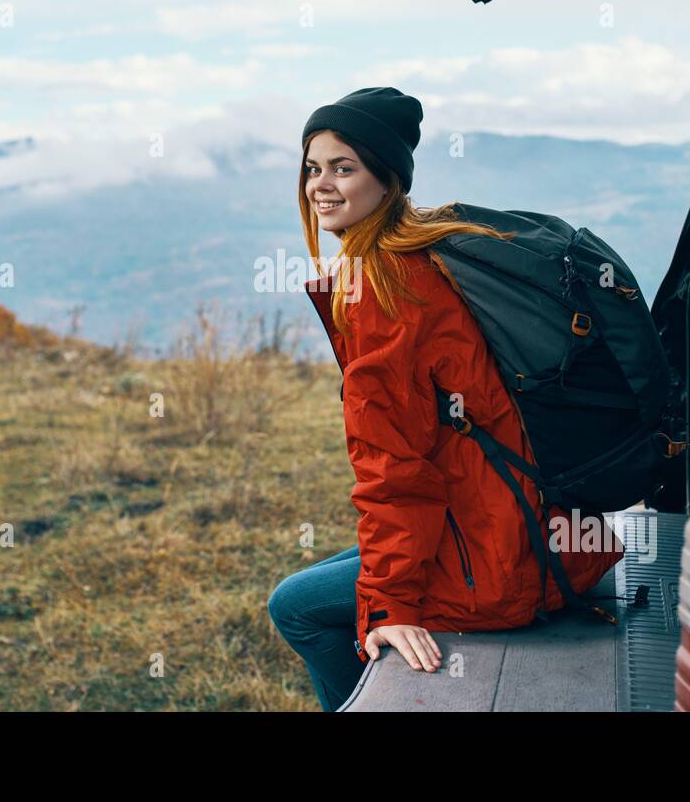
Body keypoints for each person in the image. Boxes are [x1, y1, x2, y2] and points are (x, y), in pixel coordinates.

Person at [267, 86, 624, 712]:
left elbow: (395, 470)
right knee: (339, 571)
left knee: (295, 605)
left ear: (388, 178)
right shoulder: (435, 250)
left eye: (343, 167)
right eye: (312, 168)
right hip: (537, 527)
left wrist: (389, 608)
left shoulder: (383, 290)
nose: (319, 185)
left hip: (498, 561)